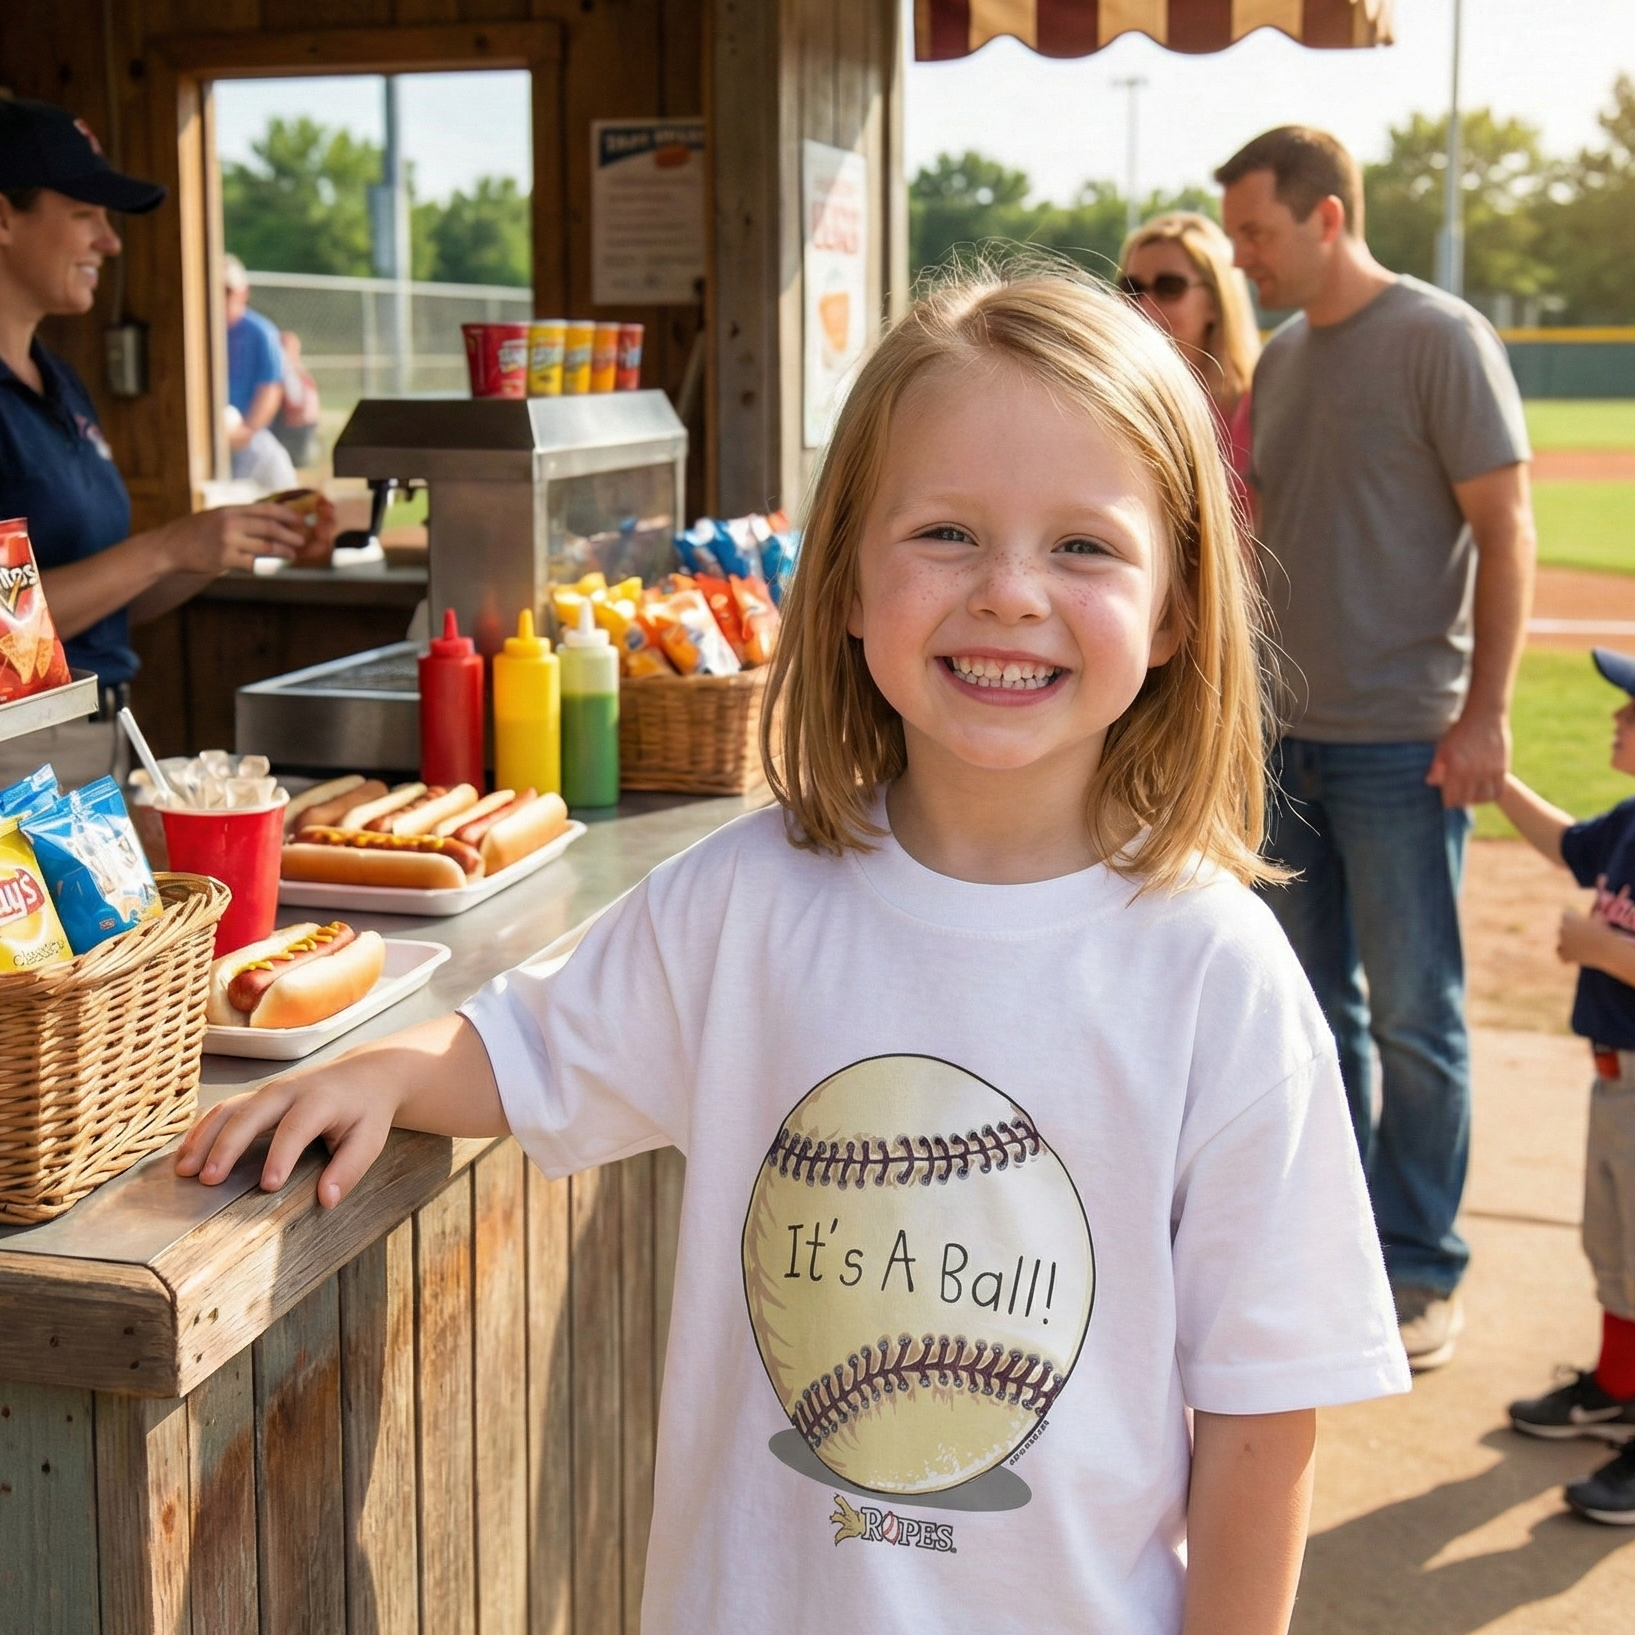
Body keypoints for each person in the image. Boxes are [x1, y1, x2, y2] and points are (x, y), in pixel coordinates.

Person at [177, 266, 1408, 1634]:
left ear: (1177, 608)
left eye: (1083, 546)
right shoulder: (746, 900)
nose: (1007, 592)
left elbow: (1260, 1422)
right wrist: (392, 1065)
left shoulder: (1214, 976)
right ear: (842, 587)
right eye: (944, 531)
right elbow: (527, 1046)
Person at [1216, 127, 1536, 1373]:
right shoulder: (1284, 362)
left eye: (1259, 233)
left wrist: (1486, 715)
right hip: (1285, 745)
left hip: (1404, 740)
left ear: (1329, 217)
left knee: (1416, 1017)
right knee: (1312, 1015)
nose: (1244, 259)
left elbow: (1506, 532)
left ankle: (1420, 1266)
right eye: (1237, 236)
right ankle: (1340, 1243)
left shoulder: (1443, 340)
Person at [0, 98, 303, 785]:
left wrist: (213, 550)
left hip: (98, 739)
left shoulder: (58, 381)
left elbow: (103, 599)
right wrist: (165, 548)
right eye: (84, 214)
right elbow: (6, 631)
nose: (110, 241)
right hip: (17, 755)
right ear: (4, 217)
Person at [1499, 649, 1635, 1524]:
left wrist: (1603, 951)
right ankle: (1617, 1388)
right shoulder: (1628, 821)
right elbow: (1566, 844)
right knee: (1614, 1250)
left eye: (1630, 710)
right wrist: (1494, 780)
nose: (1616, 718)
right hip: (1614, 1082)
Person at [1118, 211, 1259, 504]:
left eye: (1170, 287)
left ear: (1216, 301)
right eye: (1132, 288)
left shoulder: (1262, 408)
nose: (1144, 305)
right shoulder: (1112, 409)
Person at [223, 253, 295, 489]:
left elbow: (271, 388)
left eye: (227, 291)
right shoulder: (200, 330)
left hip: (246, 439)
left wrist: (247, 431)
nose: (221, 298)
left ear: (243, 292)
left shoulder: (260, 332)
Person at [273, 328, 320, 471]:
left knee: (299, 461)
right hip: (292, 423)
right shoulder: (284, 368)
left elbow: (298, 397)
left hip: (300, 422)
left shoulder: (294, 369)